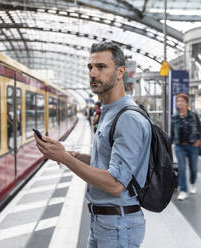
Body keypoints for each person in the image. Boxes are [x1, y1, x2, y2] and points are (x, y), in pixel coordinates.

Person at [34, 42, 151, 248]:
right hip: (104, 221)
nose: (93, 73)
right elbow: (109, 163)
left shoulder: (127, 118)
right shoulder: (110, 111)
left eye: (101, 67)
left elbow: (115, 184)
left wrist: (65, 159)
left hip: (118, 226)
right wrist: (73, 155)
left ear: (120, 72)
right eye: (90, 67)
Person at [171, 93, 201, 201]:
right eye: (178, 101)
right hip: (179, 147)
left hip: (193, 146)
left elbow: (200, 128)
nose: (179, 103)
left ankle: (193, 183)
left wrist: (198, 140)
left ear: (187, 103)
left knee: (193, 168)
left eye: (182, 101)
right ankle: (183, 190)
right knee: (182, 169)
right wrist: (170, 144)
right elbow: (172, 132)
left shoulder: (194, 115)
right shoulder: (174, 116)